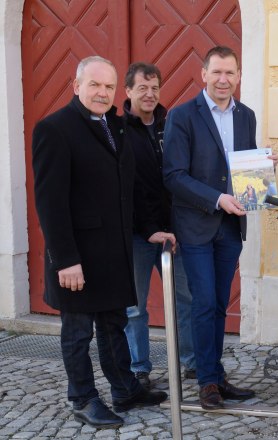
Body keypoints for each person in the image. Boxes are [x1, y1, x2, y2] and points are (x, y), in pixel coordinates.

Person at [31, 56, 167, 429]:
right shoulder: (54, 129)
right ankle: (83, 398)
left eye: (108, 86)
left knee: (114, 324)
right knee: (78, 332)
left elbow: (131, 189)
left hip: (113, 253)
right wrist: (65, 260)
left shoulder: (118, 127)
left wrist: (149, 227)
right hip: (76, 258)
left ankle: (124, 388)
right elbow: (50, 202)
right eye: (94, 85)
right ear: (76, 86)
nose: (102, 92)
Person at [163, 45, 278, 410]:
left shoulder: (246, 116)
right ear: (203, 75)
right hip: (196, 224)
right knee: (204, 302)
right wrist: (217, 199)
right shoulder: (182, 116)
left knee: (217, 304)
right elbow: (174, 176)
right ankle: (207, 382)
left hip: (231, 227)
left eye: (230, 73)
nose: (223, 80)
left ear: (239, 76)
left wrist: (263, 164)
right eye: (217, 72)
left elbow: (241, 168)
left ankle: (216, 374)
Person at [122, 62, 197, 389]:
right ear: (128, 92)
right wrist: (147, 226)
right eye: (142, 88)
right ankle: (139, 368)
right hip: (137, 234)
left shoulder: (172, 124)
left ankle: (191, 363)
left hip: (175, 232)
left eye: (154, 88)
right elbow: (126, 189)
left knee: (186, 300)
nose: (149, 94)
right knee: (135, 307)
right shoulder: (118, 130)